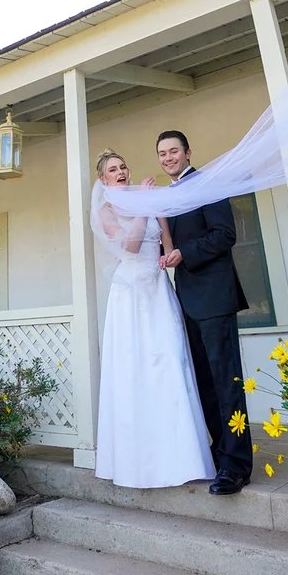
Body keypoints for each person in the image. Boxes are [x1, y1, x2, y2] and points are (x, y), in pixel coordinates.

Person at [88, 150, 216, 490]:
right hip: (129, 296)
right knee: (135, 369)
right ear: (103, 180)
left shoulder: (148, 201)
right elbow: (128, 246)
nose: (120, 172)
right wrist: (145, 207)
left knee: (170, 362)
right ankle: (138, 461)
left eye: (124, 166)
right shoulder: (106, 211)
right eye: (112, 169)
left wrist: (168, 251)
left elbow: (167, 246)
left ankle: (184, 456)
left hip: (157, 290)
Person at [155, 130, 253, 496]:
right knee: (206, 386)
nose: (168, 158)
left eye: (173, 151)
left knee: (227, 385)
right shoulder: (169, 195)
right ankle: (218, 453)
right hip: (189, 303)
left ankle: (237, 465)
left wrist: (185, 253)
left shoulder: (207, 183)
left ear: (187, 152)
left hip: (215, 299)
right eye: (162, 153)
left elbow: (225, 234)